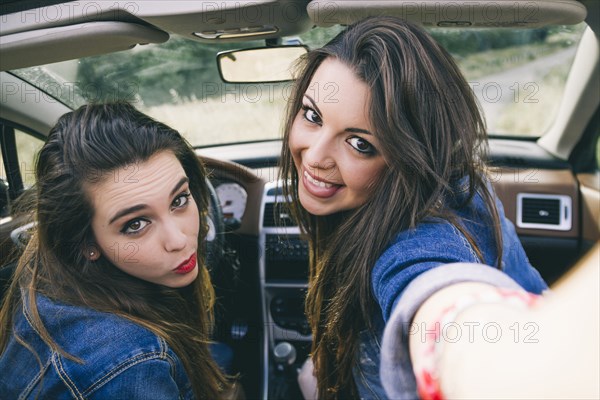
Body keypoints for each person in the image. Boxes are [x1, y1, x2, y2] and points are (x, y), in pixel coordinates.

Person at [279, 16, 551, 399]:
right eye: (312, 116)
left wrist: (475, 350)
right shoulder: (461, 183)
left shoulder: (414, 244)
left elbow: (437, 294)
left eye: (360, 144)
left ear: (408, 157)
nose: (315, 156)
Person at [0, 103, 232, 399]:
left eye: (179, 200)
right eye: (136, 224)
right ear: (87, 244)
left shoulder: (45, 279)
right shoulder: (128, 367)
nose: (179, 240)